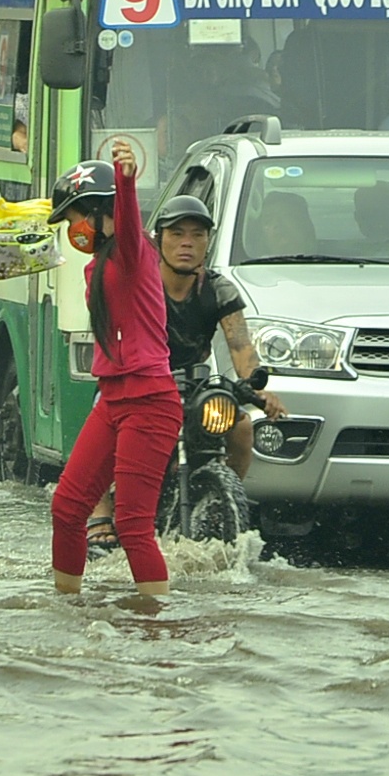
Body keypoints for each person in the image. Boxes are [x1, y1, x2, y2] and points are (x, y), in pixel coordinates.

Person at [85, 194, 283, 554]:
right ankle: (100, 511)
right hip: (141, 382)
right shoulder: (141, 282)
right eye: (177, 233)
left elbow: (240, 345)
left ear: (209, 241)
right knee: (104, 413)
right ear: (159, 238)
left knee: (240, 427)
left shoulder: (218, 288)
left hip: (195, 383)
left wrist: (258, 388)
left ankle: (223, 500)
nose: (187, 243)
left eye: (197, 234)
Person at [48, 145, 182, 598]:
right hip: (113, 398)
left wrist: (125, 181)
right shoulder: (96, 267)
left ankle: (157, 620)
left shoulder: (134, 251)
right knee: (67, 508)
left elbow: (127, 225)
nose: (73, 230)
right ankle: (66, 607)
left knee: (132, 524)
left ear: (102, 211)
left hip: (150, 401)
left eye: (76, 218)